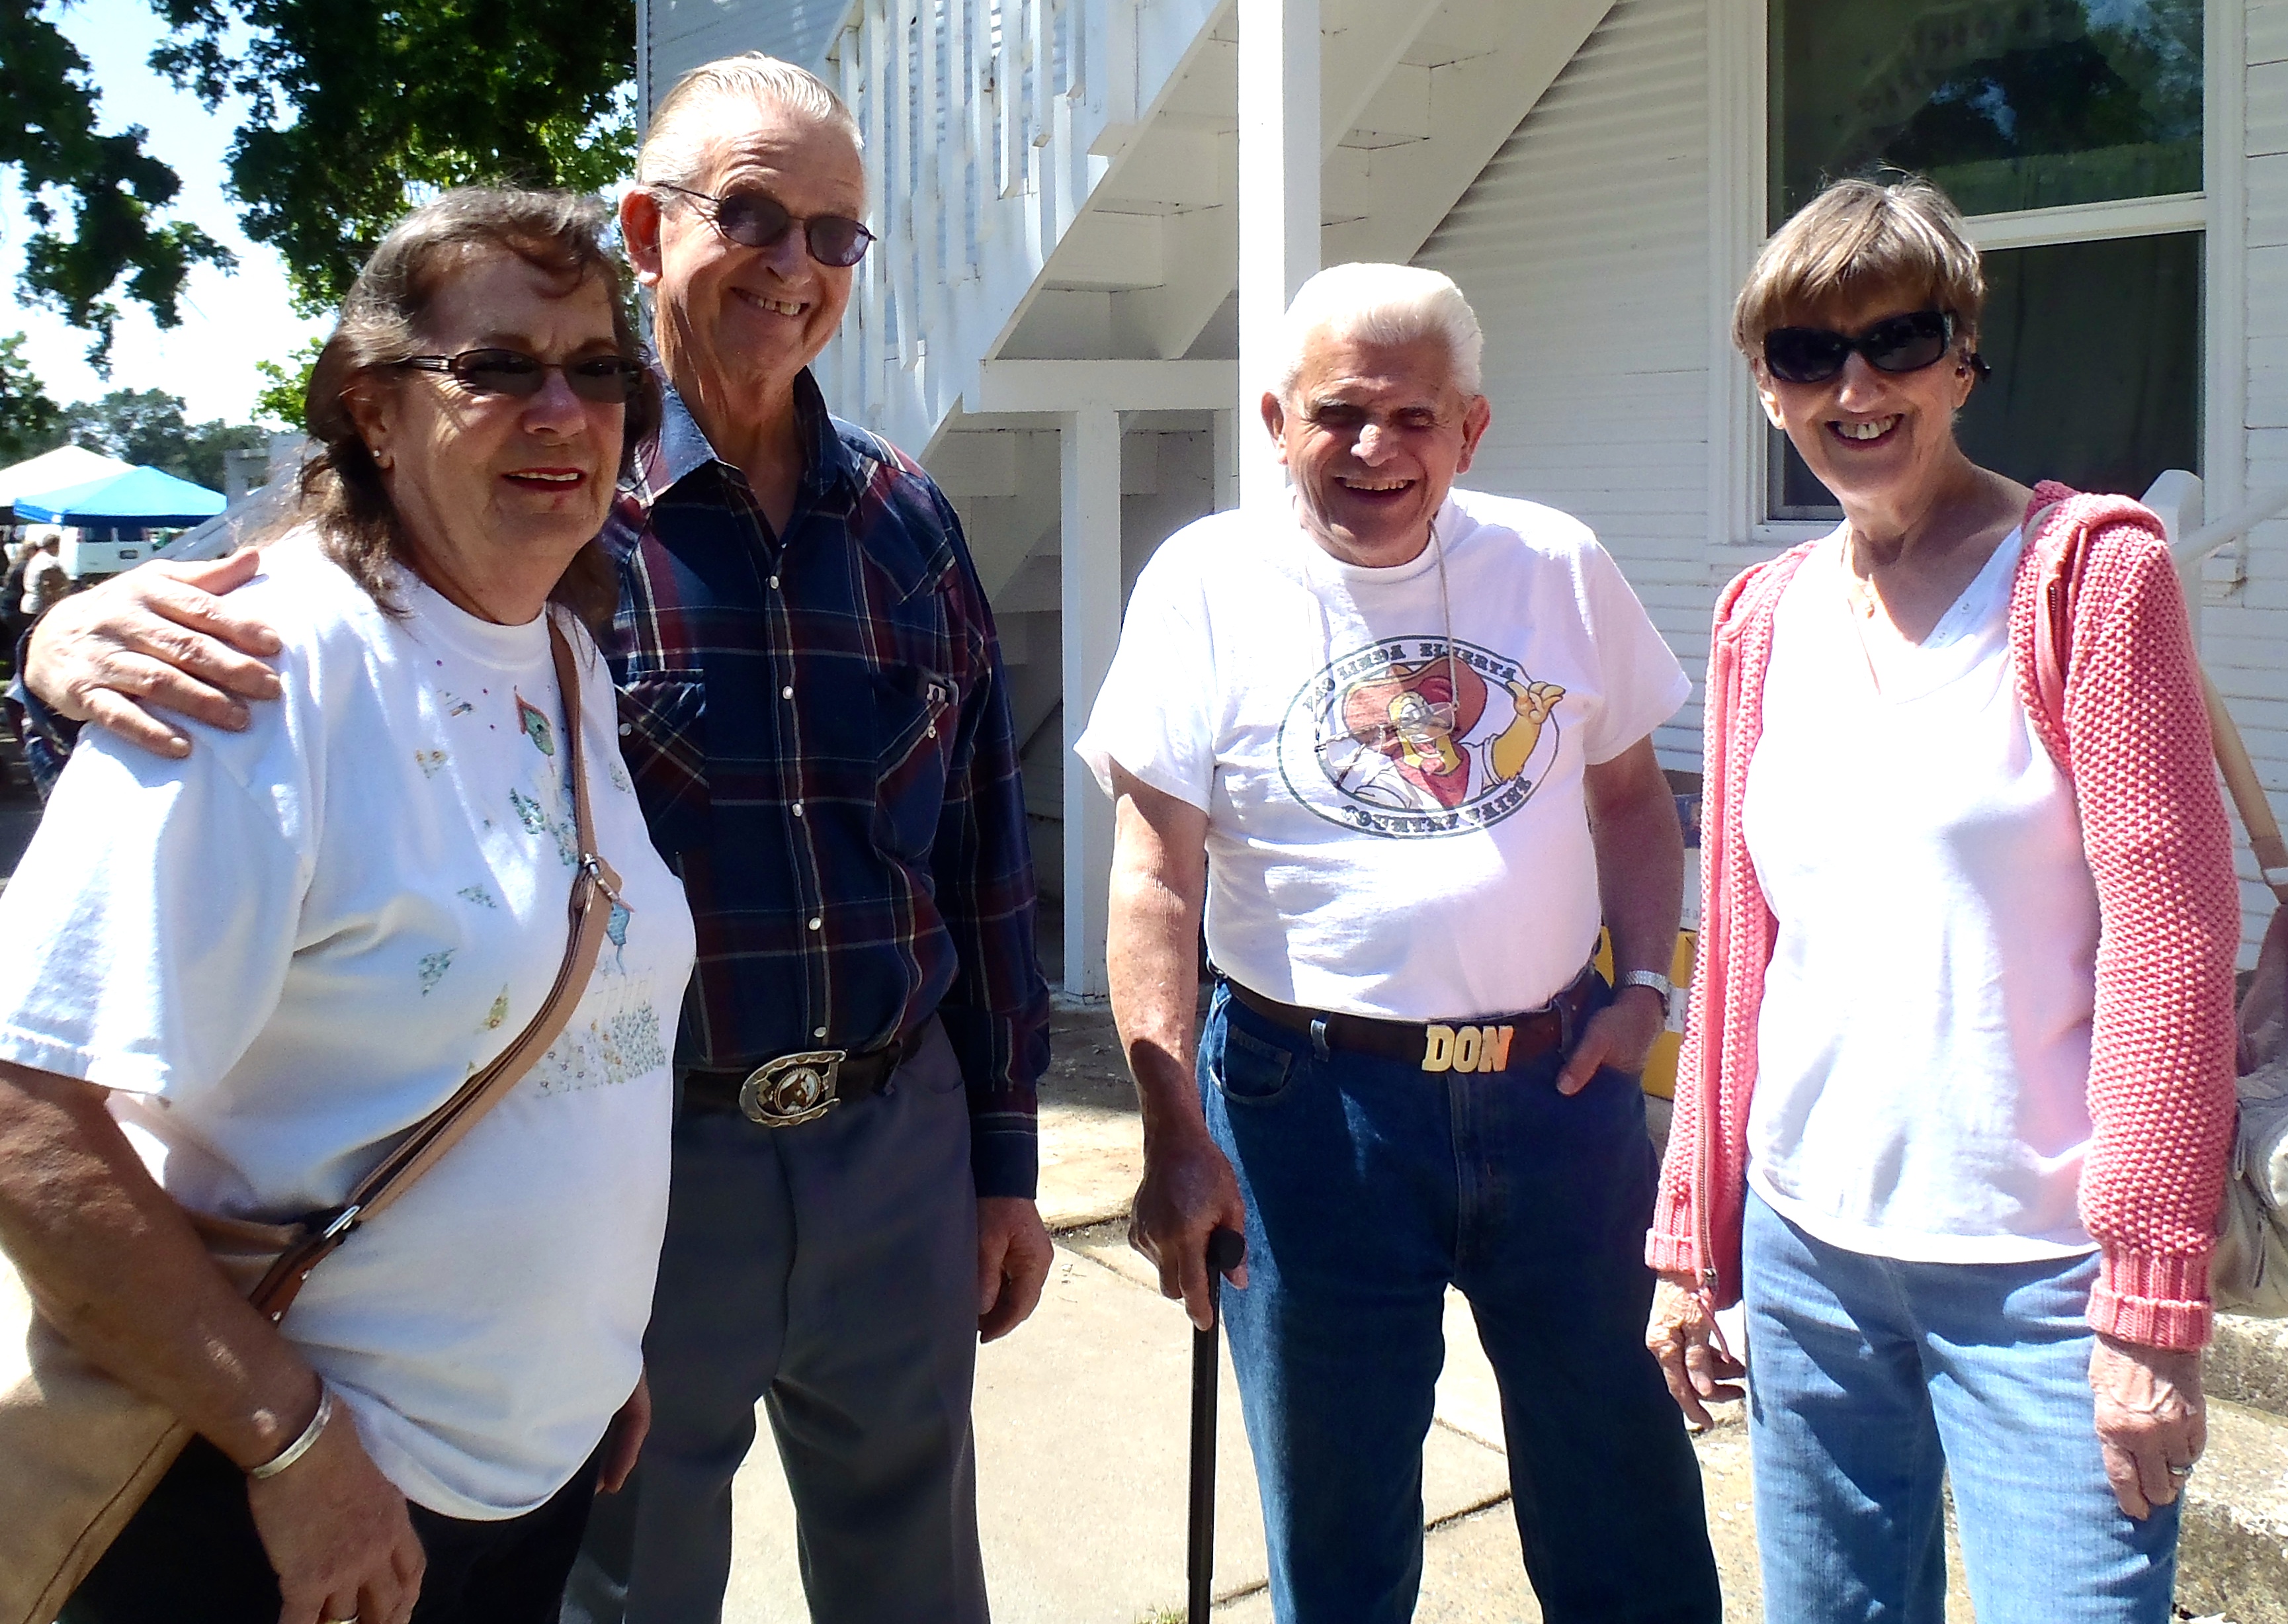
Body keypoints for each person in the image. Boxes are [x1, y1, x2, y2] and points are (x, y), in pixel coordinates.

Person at [21, 54, 1053, 1624]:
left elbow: (979, 852)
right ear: (647, 229)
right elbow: (266, 616)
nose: (792, 264)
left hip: (887, 1137)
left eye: (833, 234)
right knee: (632, 1591)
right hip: (653, 1154)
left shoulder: (903, 520)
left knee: (915, 1576)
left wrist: (1000, 1153)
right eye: (750, 215)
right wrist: (59, 644)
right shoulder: (534, 497)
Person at [0, 187, 695, 1624]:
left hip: (533, 1474)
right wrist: (292, 1444)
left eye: (598, 369)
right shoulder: (258, 666)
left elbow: (565, 1035)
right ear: (374, 412)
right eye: (497, 367)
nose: (561, 411)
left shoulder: (562, 654)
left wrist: (581, 1346)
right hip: (285, 1507)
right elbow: (24, 1113)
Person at [1077, 261, 1722, 1624]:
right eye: (1338, 413)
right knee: (1339, 1525)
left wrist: (1644, 991)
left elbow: (1628, 797)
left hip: (1559, 1094)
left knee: (1624, 1499)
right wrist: (1169, 1120)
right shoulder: (1205, 582)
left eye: (1413, 416)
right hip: (1311, 1113)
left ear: (1469, 430)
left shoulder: (1553, 563)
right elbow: (1153, 874)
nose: (1374, 448)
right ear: (1277, 421)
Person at [1643, 176, 2239, 1624]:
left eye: (1896, 341)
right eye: (1806, 353)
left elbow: (2172, 940)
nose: (1853, 388)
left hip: (2042, 1280)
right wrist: (1691, 1236)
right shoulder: (1758, 617)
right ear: (1767, 387)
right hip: (1806, 1259)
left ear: (1962, 358)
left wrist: (2152, 1298)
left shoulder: (2086, 576)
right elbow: (1743, 949)